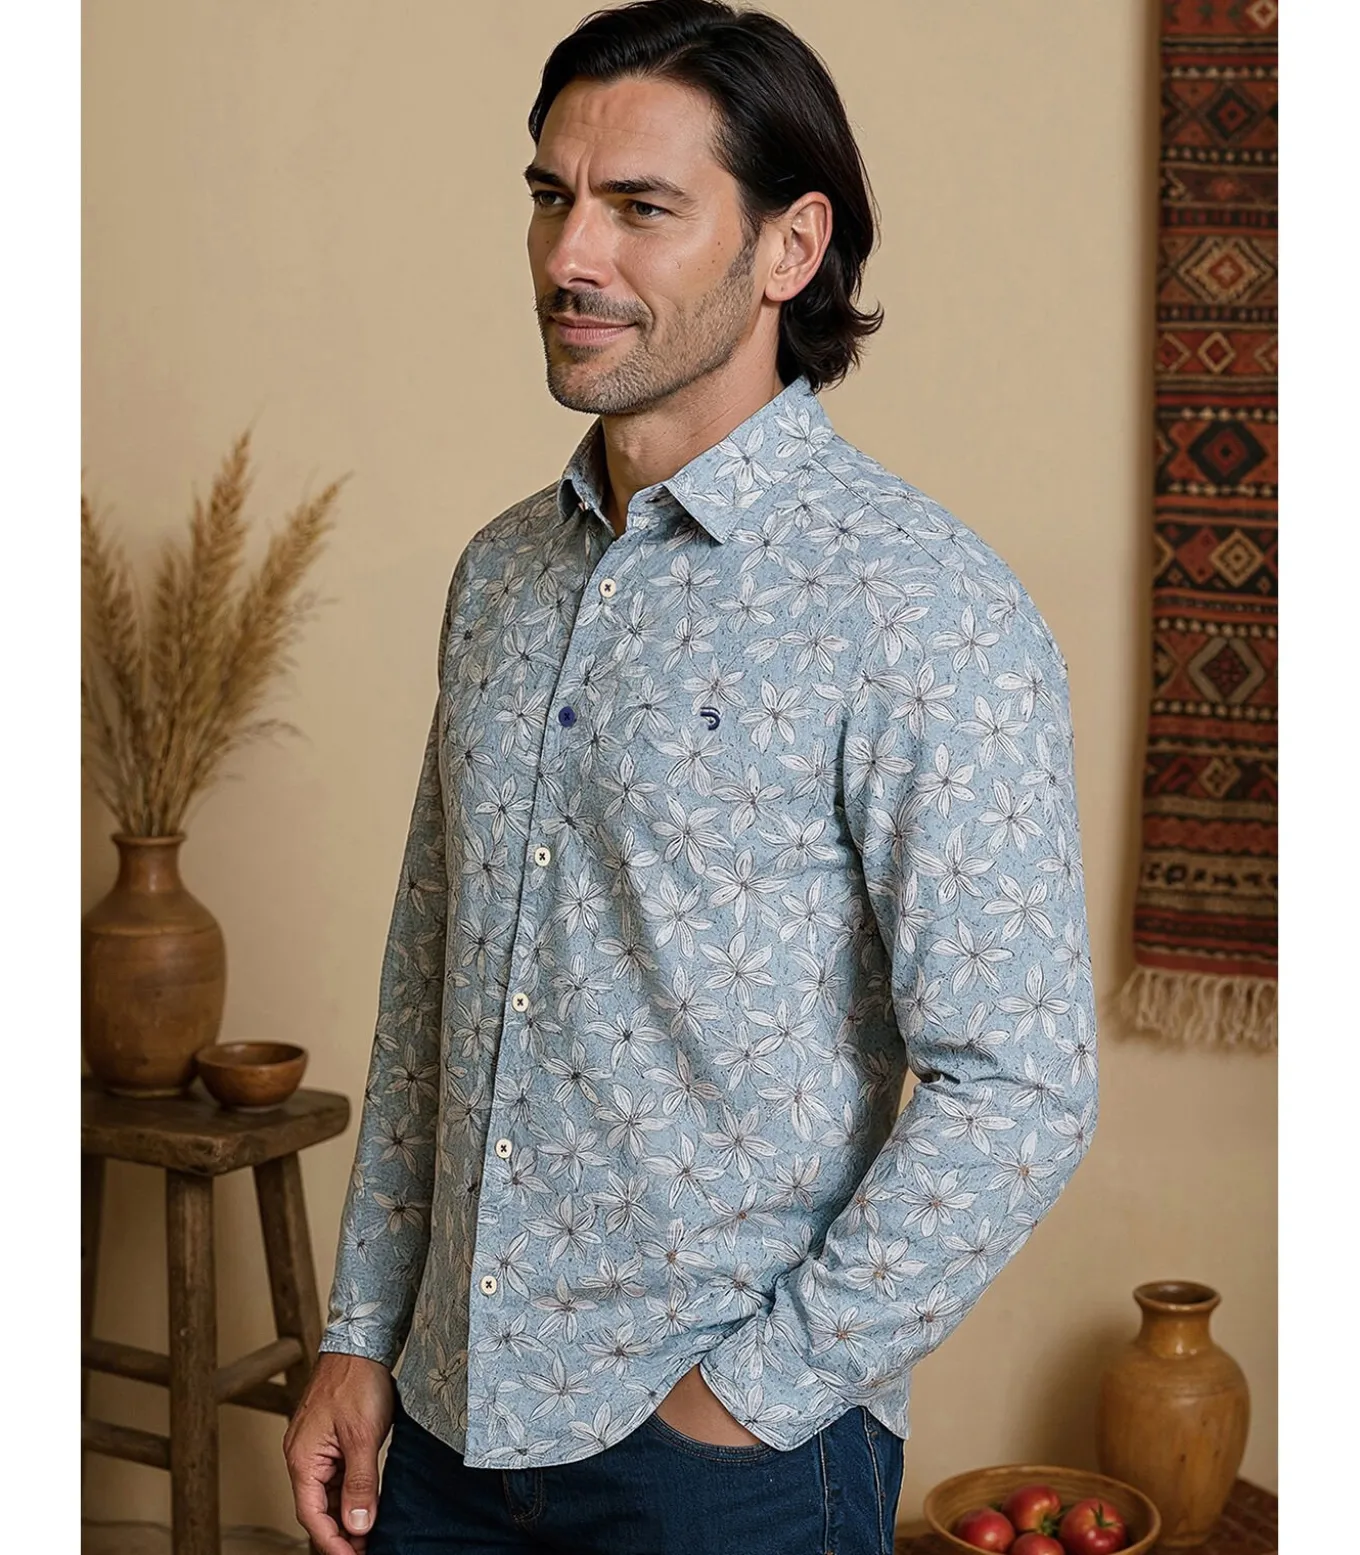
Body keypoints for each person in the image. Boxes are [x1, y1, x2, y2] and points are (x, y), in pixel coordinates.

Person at [283, 2, 1099, 1550]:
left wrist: (743, 1402)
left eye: (641, 208)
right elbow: (427, 982)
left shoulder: (919, 606)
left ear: (791, 247)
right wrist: (360, 1331)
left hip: (725, 1467)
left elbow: (1021, 1082)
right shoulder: (501, 578)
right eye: (552, 196)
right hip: (441, 1431)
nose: (569, 255)